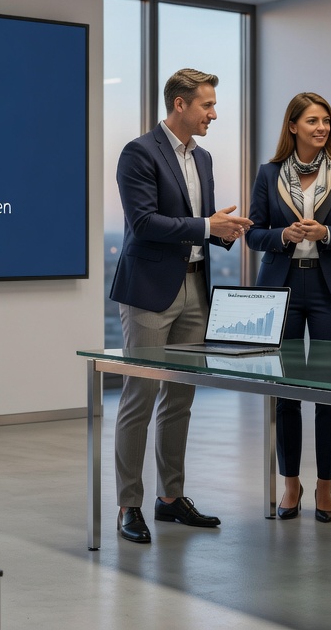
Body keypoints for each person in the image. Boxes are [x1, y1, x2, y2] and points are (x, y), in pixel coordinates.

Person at [109, 68, 251, 545]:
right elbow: (145, 222)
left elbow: (199, 224)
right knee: (140, 399)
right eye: (207, 105)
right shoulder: (138, 153)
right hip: (150, 291)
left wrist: (223, 231)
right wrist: (207, 227)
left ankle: (171, 498)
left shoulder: (204, 157)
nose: (214, 113)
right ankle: (128, 504)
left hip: (196, 288)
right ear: (179, 105)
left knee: (181, 399)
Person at [246, 92, 331, 523]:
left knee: (330, 392)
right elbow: (253, 234)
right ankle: (291, 483)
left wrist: (326, 232)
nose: (322, 128)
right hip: (281, 289)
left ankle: (325, 486)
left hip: (329, 289)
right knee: (286, 393)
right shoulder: (268, 174)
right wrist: (283, 235)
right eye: (313, 121)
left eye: (327, 122)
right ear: (293, 126)